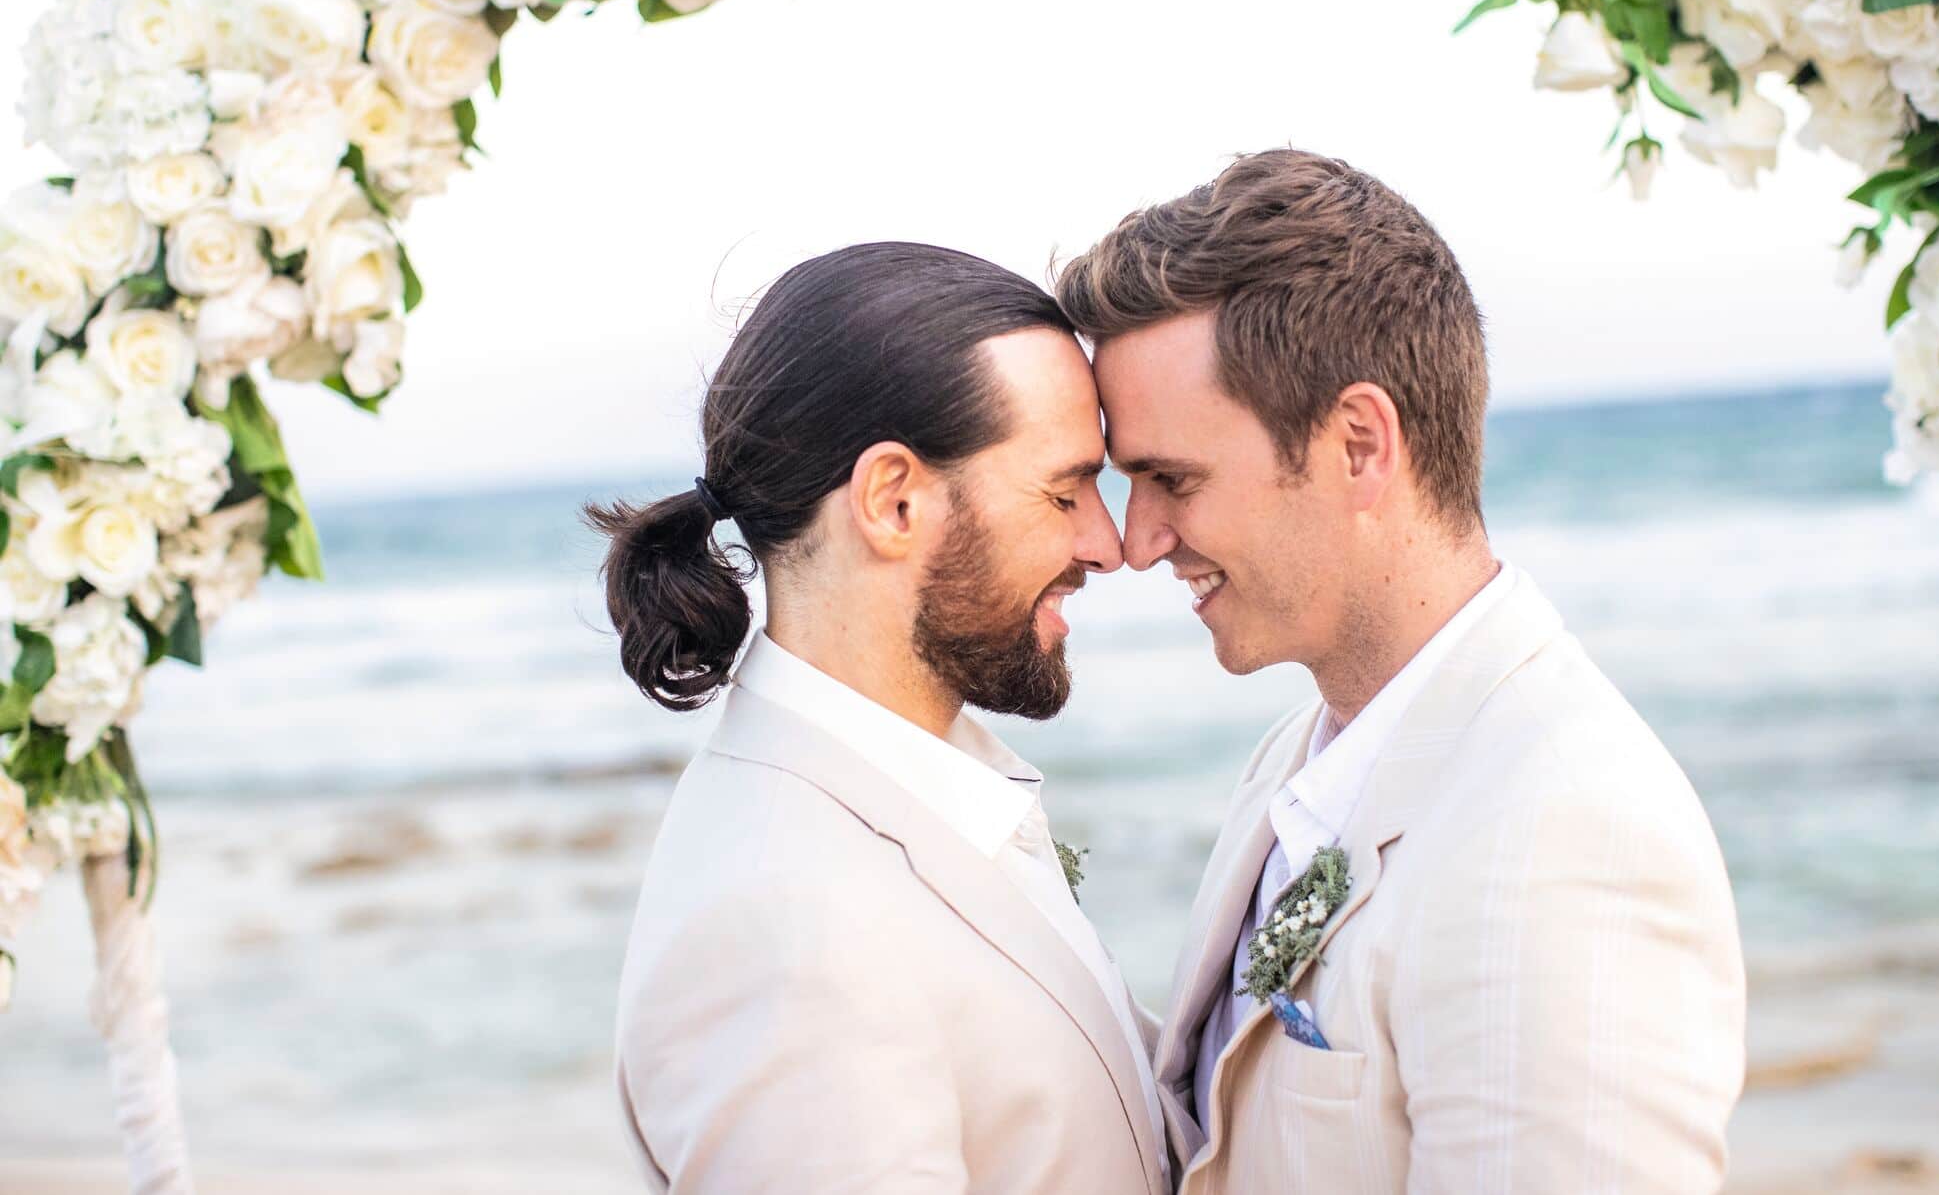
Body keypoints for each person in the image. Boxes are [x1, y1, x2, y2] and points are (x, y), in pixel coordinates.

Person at [1056, 150, 1747, 1194]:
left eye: (1171, 478)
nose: (1139, 538)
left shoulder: (1565, 836)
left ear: (1357, 445)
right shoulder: (1299, 756)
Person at [597, 241, 1169, 1194]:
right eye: (1065, 490)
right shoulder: (785, 922)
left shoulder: (913, 790)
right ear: (894, 501)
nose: (1106, 544)